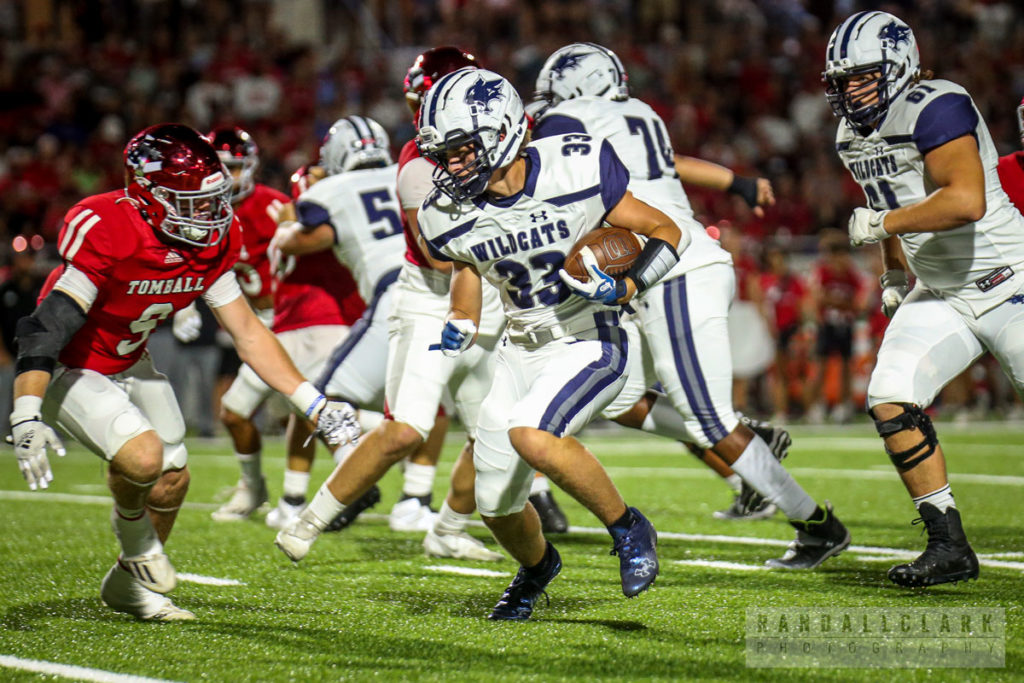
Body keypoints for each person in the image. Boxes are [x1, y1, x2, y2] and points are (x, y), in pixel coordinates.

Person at [7, 123, 360, 621]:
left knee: (173, 479)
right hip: (73, 365)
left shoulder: (217, 237)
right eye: (192, 201)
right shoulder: (109, 225)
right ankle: (137, 544)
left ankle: (128, 586)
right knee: (145, 457)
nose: (210, 214)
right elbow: (48, 327)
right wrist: (26, 411)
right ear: (148, 196)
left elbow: (249, 333)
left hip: (132, 360)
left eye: (214, 199)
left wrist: (314, 403)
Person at [532, 43, 849, 564]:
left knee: (709, 422)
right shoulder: (639, 114)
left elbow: (543, 183)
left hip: (671, 265)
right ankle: (753, 437)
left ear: (575, 88)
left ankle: (816, 524)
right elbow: (662, 168)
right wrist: (735, 180)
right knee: (620, 397)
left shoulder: (569, 119)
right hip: (671, 259)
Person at [416, 68, 678, 619]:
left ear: (506, 131)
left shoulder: (576, 165)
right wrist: (462, 315)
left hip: (588, 334)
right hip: (519, 344)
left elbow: (666, 231)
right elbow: (470, 264)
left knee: (533, 436)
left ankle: (629, 528)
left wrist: (627, 284)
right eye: (445, 155)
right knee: (494, 504)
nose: (451, 166)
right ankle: (537, 570)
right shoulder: (445, 214)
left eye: (462, 150)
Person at [274, 51, 512, 564]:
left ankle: (448, 528)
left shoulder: (512, 144)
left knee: (498, 433)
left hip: (495, 295)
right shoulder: (417, 164)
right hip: (432, 298)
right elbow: (439, 255)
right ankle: (308, 517)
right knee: (405, 428)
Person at [824, 11, 1024, 586]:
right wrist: (891, 273)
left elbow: (965, 201)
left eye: (862, 77)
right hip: (938, 291)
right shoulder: (850, 135)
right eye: (841, 82)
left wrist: (882, 223)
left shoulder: (937, 104)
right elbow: (888, 208)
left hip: (1008, 281)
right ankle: (947, 544)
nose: (850, 92)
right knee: (889, 398)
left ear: (899, 65)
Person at [182, 126, 364, 529]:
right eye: (219, 167)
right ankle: (256, 487)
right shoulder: (198, 209)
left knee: (297, 414)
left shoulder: (274, 205)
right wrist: (182, 307)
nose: (226, 177)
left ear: (249, 168)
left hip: (284, 320)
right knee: (242, 414)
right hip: (253, 321)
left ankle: (324, 485)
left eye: (233, 167)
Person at [803, 228, 868, 424]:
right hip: (826, 325)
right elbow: (817, 297)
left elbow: (859, 303)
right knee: (820, 367)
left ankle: (843, 406)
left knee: (846, 368)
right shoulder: (822, 271)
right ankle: (814, 407)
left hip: (845, 325)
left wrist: (834, 302)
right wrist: (839, 303)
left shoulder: (851, 274)